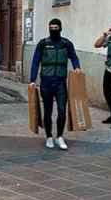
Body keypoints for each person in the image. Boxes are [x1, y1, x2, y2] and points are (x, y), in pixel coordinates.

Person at [29, 18, 80, 150]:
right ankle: (49, 136)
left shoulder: (66, 44)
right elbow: (35, 61)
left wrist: (77, 67)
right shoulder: (43, 44)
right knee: (47, 111)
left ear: (60, 29)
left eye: (56, 28)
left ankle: (60, 136)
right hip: (46, 82)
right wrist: (32, 80)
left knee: (62, 111)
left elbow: (74, 57)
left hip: (60, 83)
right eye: (51, 28)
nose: (53, 31)